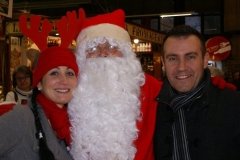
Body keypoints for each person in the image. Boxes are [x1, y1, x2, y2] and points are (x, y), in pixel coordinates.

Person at [67, 9, 235, 160]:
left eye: (111, 47)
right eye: (93, 48)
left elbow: (186, 84)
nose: (102, 54)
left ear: (125, 54)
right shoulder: (71, 93)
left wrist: (211, 85)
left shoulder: (150, 88)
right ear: (82, 56)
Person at [0, 8, 85, 160]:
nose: (63, 80)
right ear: (39, 83)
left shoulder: (72, 123)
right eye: (54, 73)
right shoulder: (23, 118)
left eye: (70, 73)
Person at [153, 25, 240, 159]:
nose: (181, 67)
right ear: (163, 63)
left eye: (191, 57)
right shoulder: (150, 107)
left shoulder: (233, 105)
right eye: (173, 58)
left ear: (205, 60)